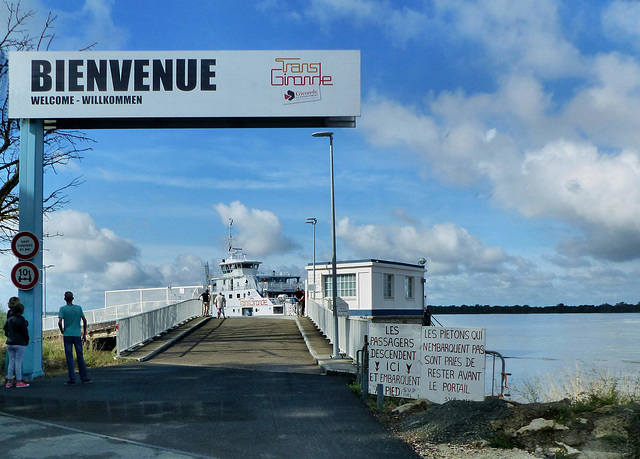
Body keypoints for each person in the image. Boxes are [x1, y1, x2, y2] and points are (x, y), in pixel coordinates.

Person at [58, 291, 91, 385]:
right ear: (73, 298)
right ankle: (84, 378)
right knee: (80, 355)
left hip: (67, 335)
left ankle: (72, 379)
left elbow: (60, 322)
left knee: (69, 357)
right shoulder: (78, 308)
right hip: (77, 334)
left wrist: (62, 331)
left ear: (65, 299)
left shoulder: (62, 309)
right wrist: (84, 333)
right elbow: (84, 320)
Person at [4, 298, 29, 388]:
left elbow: (6, 329)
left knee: (11, 361)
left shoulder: (9, 318)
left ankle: (9, 381)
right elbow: (24, 332)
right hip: (19, 343)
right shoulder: (21, 320)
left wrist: (9, 337)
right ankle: (18, 381)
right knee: (18, 362)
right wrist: (26, 341)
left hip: (10, 342)